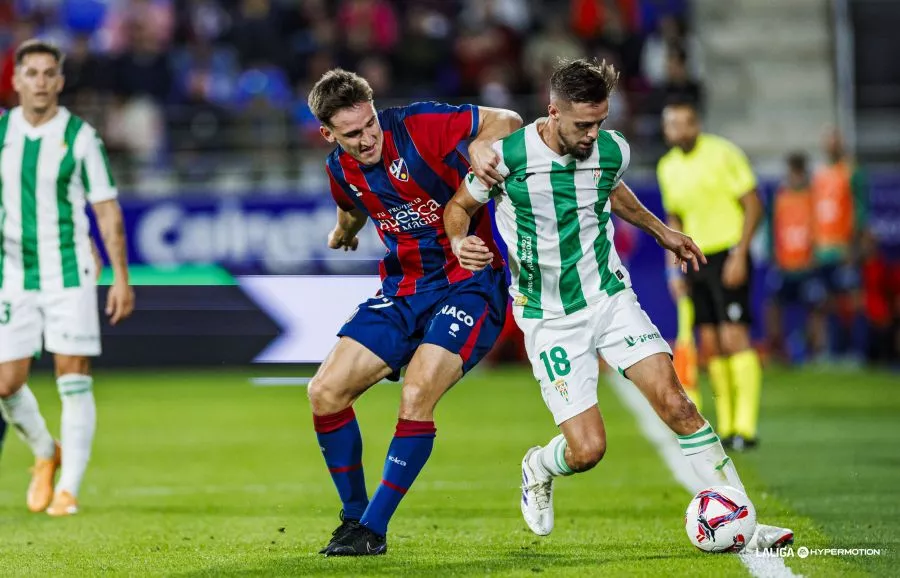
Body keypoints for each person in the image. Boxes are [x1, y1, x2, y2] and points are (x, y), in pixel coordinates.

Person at [444, 58, 792, 551]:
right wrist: (460, 243)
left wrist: (663, 232)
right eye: (583, 124)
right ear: (552, 112)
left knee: (677, 404)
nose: (592, 135)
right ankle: (539, 465)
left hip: (609, 297)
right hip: (548, 318)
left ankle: (745, 524)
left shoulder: (611, 150)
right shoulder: (506, 158)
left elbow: (612, 190)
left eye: (601, 122)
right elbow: (458, 208)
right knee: (588, 450)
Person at [305, 68, 522, 556]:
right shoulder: (341, 169)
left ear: (375, 111)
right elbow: (351, 204)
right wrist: (343, 232)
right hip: (403, 289)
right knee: (324, 392)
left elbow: (507, 118)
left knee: (418, 391)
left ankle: (373, 531)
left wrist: (485, 145)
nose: (365, 140)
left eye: (369, 126)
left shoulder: (419, 124)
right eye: (351, 135)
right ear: (328, 134)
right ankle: (353, 517)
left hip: (469, 282)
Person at [0, 39, 134, 516]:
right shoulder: (1, 133)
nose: (39, 81)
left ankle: (69, 488)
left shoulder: (80, 137)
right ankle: (45, 450)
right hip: (13, 273)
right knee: (5, 384)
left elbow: (106, 208)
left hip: (69, 272)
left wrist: (120, 275)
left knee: (72, 377)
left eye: (47, 73)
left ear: (59, 81)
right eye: (30, 73)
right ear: (15, 80)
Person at [657, 99, 765, 451]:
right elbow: (674, 220)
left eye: (683, 123)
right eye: (671, 124)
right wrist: (673, 268)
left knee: (735, 338)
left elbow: (753, 204)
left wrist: (740, 253)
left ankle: (745, 427)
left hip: (726, 252)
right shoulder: (667, 167)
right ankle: (727, 424)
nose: (677, 130)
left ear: (696, 124)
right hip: (694, 257)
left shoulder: (722, 153)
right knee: (712, 344)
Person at [809, 128, 869, 362]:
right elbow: (815, 212)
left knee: (853, 301)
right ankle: (830, 351)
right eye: (828, 142)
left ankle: (857, 351)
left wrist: (854, 246)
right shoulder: (820, 174)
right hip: (823, 250)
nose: (831, 147)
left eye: (835, 143)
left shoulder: (852, 172)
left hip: (844, 248)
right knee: (826, 303)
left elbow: (860, 210)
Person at [764, 152, 817, 363]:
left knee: (815, 307)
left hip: (807, 264)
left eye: (797, 172)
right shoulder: (781, 196)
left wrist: (815, 255)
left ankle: (814, 351)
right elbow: (772, 228)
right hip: (785, 263)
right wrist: (772, 254)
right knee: (773, 306)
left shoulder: (812, 196)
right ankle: (778, 350)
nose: (794, 177)